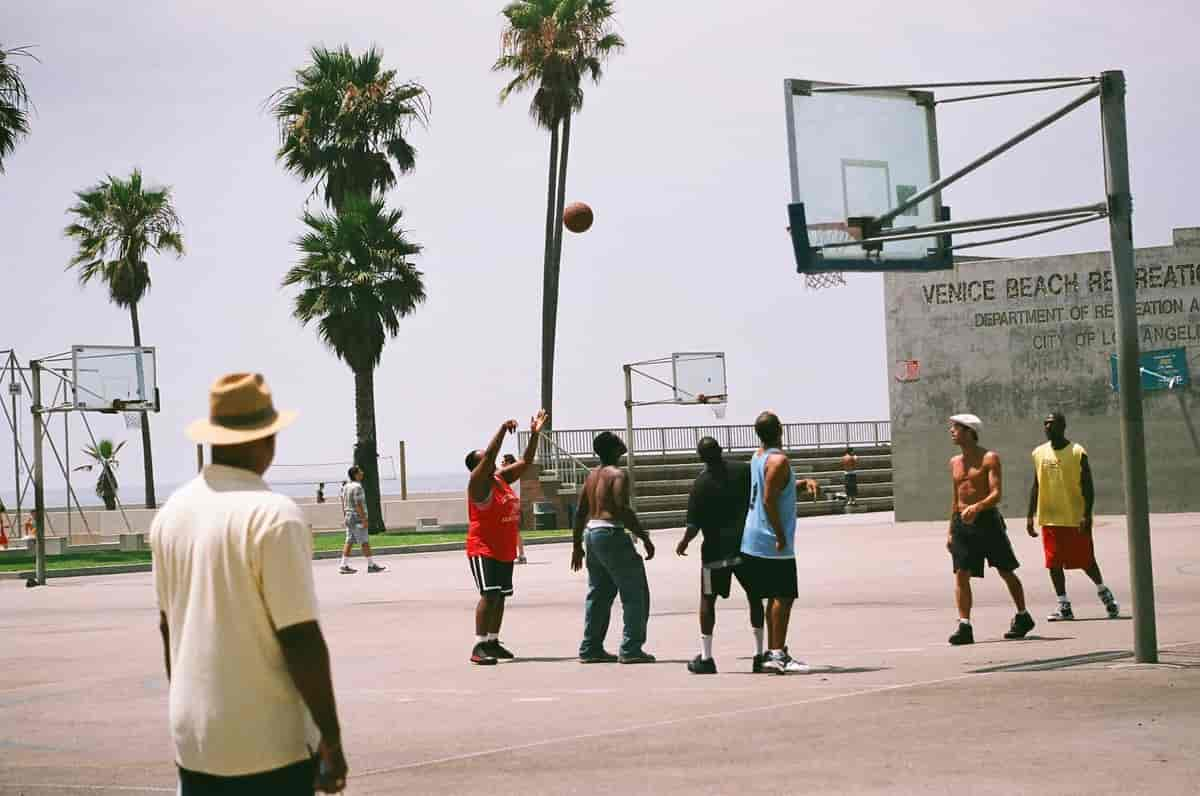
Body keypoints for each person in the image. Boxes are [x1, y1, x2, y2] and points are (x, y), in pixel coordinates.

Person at [152, 373, 347, 794]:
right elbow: (299, 637)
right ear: (267, 440)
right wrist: (331, 740)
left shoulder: (171, 514)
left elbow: (168, 627)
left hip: (196, 741)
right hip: (268, 745)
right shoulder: (274, 516)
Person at [464, 410, 548, 665]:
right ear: (478, 466)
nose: (492, 462)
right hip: (483, 547)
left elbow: (526, 461)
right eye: (485, 461)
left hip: (504, 548)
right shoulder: (478, 483)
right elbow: (490, 456)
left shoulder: (499, 479)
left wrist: (534, 434)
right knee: (489, 594)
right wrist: (502, 429)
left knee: (500, 596)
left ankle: (492, 641)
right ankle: (478, 645)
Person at [676, 437, 763, 674]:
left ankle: (706, 657)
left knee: (707, 600)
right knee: (755, 597)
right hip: (745, 549)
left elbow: (693, 526)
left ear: (700, 458)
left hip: (714, 553)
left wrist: (684, 542)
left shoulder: (700, 484)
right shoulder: (743, 471)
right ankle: (759, 654)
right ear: (721, 450)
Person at [946, 413, 1035, 645]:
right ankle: (964, 625)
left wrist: (977, 507)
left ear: (969, 431)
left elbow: (996, 494)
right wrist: (950, 530)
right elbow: (955, 499)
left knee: (1006, 570)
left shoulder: (989, 458)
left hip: (987, 522)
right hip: (962, 524)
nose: (952, 431)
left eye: (956, 428)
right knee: (961, 573)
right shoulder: (954, 462)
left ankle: (1023, 616)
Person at [572, 431, 656, 664]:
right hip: (611, 533)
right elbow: (622, 508)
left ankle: (590, 647)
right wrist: (643, 536)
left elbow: (580, 513)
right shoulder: (618, 474)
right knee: (635, 592)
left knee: (599, 593)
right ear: (613, 449)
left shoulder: (591, 476)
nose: (623, 442)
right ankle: (631, 648)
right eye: (618, 440)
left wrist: (577, 545)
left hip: (592, 533)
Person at [1027, 412, 1120, 621]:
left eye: (1052, 423)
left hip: (1075, 518)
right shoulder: (1038, 453)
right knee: (1053, 563)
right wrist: (1029, 516)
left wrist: (1087, 514)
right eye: (1045, 424)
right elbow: (1036, 485)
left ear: (1063, 426)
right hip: (1050, 519)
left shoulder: (1077, 452)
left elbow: (1088, 487)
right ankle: (1064, 605)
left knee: (1087, 561)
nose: (1047, 427)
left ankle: (1105, 594)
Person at [740, 411, 808, 674]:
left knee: (774, 597)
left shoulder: (758, 457)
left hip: (754, 535)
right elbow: (769, 499)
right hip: (771, 539)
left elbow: (774, 489)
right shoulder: (779, 460)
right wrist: (780, 534)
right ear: (780, 429)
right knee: (783, 596)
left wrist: (799, 484)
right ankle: (777, 654)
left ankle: (774, 651)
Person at [338, 467, 383, 575]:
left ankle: (343, 565)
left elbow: (343, 502)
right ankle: (371, 565)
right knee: (364, 541)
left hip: (349, 516)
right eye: (360, 472)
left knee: (349, 541)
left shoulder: (346, 486)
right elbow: (358, 504)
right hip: (357, 518)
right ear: (356, 474)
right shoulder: (358, 487)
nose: (362, 473)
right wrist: (364, 519)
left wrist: (345, 517)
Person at [501, 453, 529, 564]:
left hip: (510, 506)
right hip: (513, 505)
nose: (502, 464)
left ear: (509, 463)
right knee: (514, 532)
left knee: (513, 531)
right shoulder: (513, 474)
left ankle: (519, 555)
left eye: (503, 462)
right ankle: (520, 555)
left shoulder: (509, 476)